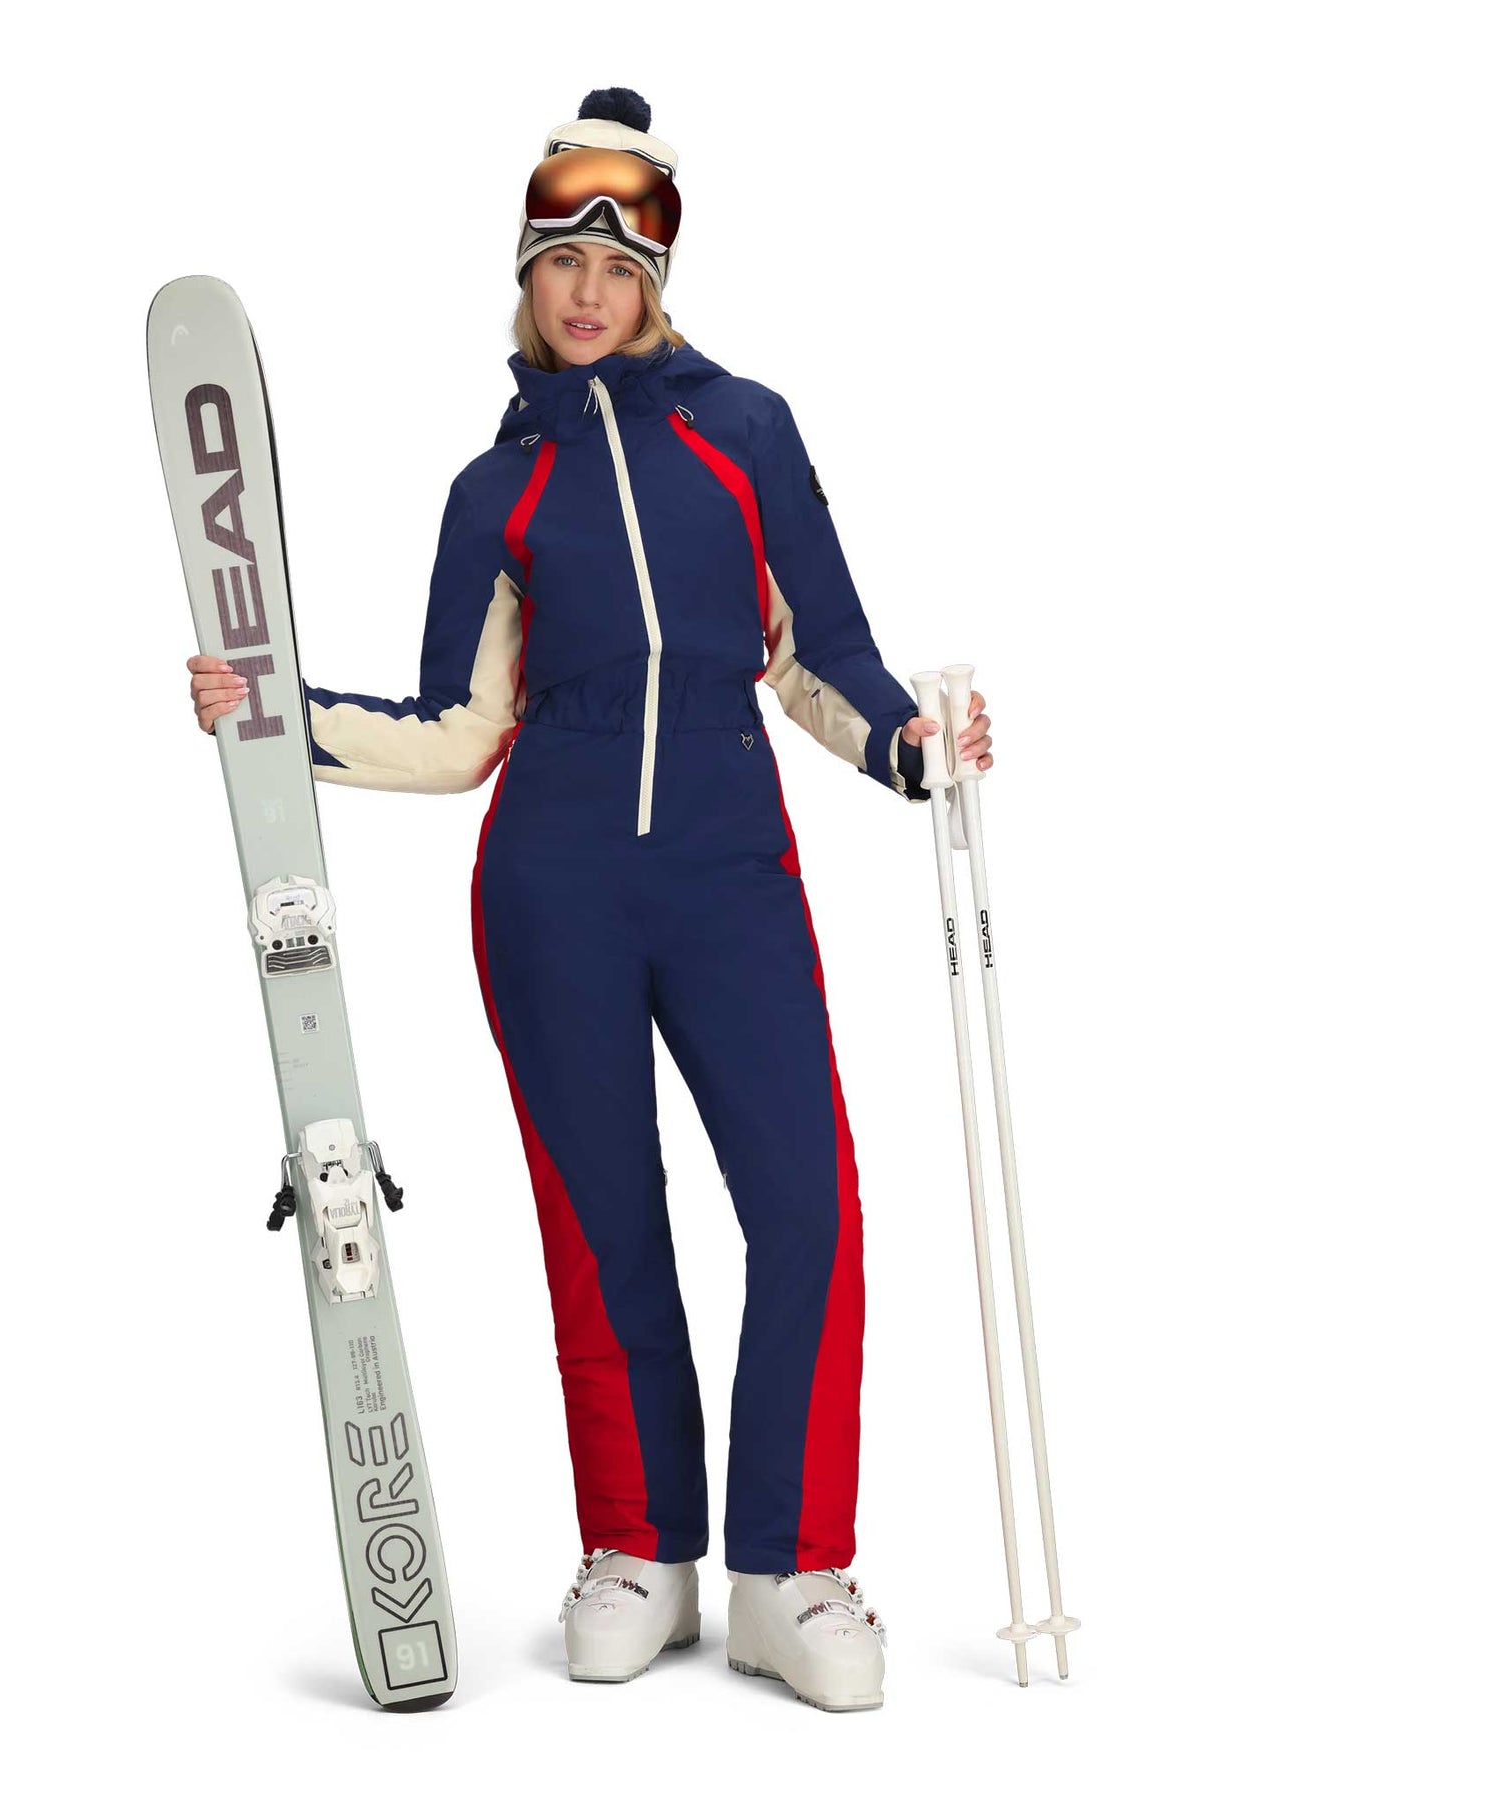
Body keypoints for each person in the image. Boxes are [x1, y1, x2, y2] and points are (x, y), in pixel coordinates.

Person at [186, 88, 992, 1713]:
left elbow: (818, 655)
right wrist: (275, 713)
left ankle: (790, 1571)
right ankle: (640, 1551)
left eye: (617, 268)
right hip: (551, 884)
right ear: (527, 277)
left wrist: (911, 748)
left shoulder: (744, 433)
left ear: (656, 283)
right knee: (602, 1223)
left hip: (728, 869)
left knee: (811, 1211)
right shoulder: (494, 491)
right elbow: (456, 728)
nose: (587, 291)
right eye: (561, 262)